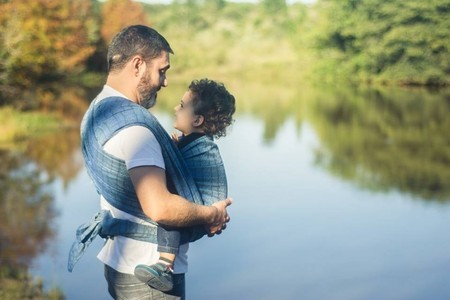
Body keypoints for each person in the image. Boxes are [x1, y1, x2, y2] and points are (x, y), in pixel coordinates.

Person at [69, 25, 232, 300]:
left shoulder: (99, 110)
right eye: (162, 70)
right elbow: (160, 208)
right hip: (149, 277)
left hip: (121, 262)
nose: (165, 81)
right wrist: (211, 214)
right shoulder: (137, 131)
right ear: (138, 65)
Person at [134, 78, 236, 291]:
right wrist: (174, 150)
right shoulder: (188, 142)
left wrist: (172, 153)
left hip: (199, 216)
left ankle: (164, 265)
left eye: (181, 105)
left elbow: (183, 180)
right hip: (205, 213)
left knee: (171, 209)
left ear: (198, 120)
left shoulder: (202, 147)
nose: (175, 108)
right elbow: (181, 168)